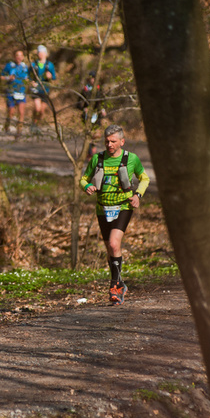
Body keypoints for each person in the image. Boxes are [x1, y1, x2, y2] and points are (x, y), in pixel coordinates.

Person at [80, 125, 150, 305]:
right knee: (110, 251)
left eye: (113, 141)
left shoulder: (131, 159)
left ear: (122, 141)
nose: (109, 144)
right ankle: (120, 283)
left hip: (123, 206)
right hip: (103, 208)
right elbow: (83, 179)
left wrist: (138, 195)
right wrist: (87, 187)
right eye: (107, 141)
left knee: (114, 243)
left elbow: (144, 178)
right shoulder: (98, 158)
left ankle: (115, 287)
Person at [0, 50, 30, 138]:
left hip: (21, 92)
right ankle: (7, 124)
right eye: (17, 55)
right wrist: (8, 78)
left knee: (21, 112)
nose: (19, 57)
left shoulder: (25, 67)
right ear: (14, 56)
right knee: (11, 112)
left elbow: (28, 78)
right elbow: (1, 77)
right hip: (11, 91)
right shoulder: (9, 66)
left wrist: (29, 82)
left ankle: (19, 131)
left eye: (21, 55)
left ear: (23, 57)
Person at [29, 45, 57, 130]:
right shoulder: (34, 64)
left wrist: (50, 76)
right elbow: (29, 76)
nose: (40, 54)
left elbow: (54, 77)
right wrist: (31, 82)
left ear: (45, 54)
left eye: (42, 53)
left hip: (45, 89)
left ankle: (38, 124)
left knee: (42, 110)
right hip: (36, 89)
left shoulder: (50, 65)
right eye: (39, 53)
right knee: (37, 108)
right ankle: (33, 123)